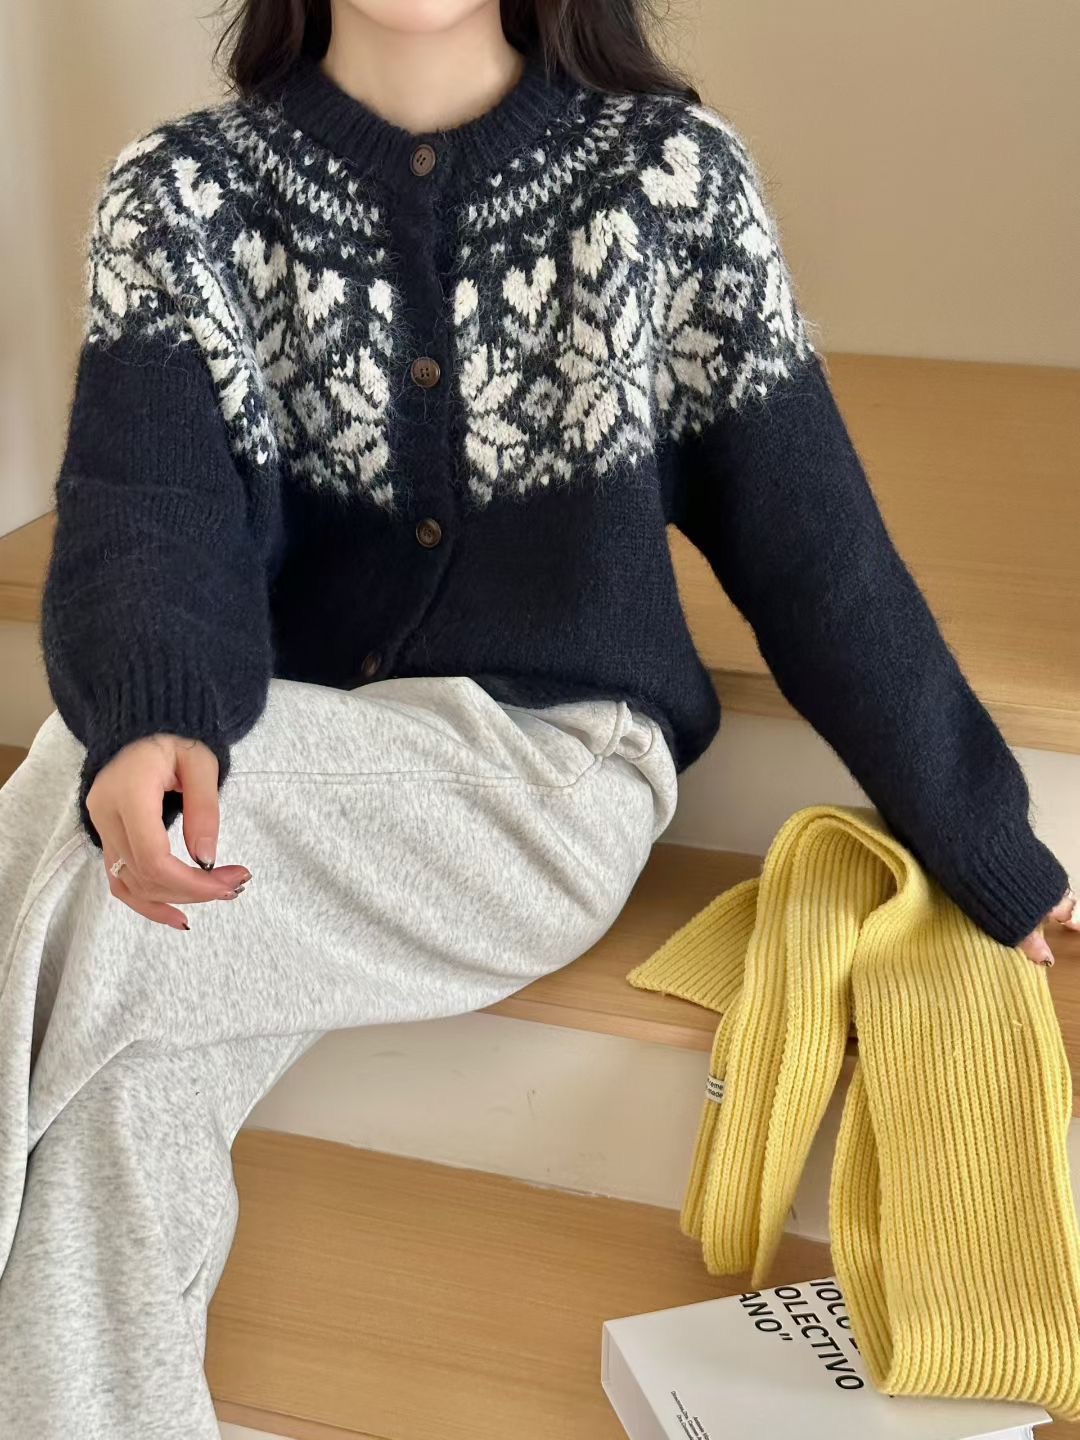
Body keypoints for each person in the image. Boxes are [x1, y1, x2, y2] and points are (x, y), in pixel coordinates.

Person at [0, 0, 1076, 1433]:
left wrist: (981, 835)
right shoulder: (182, 196)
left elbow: (815, 556)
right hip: (280, 793)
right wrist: (150, 717)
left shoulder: (665, 180)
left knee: (68, 798)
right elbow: (149, 513)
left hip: (540, 786)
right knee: (121, 1061)